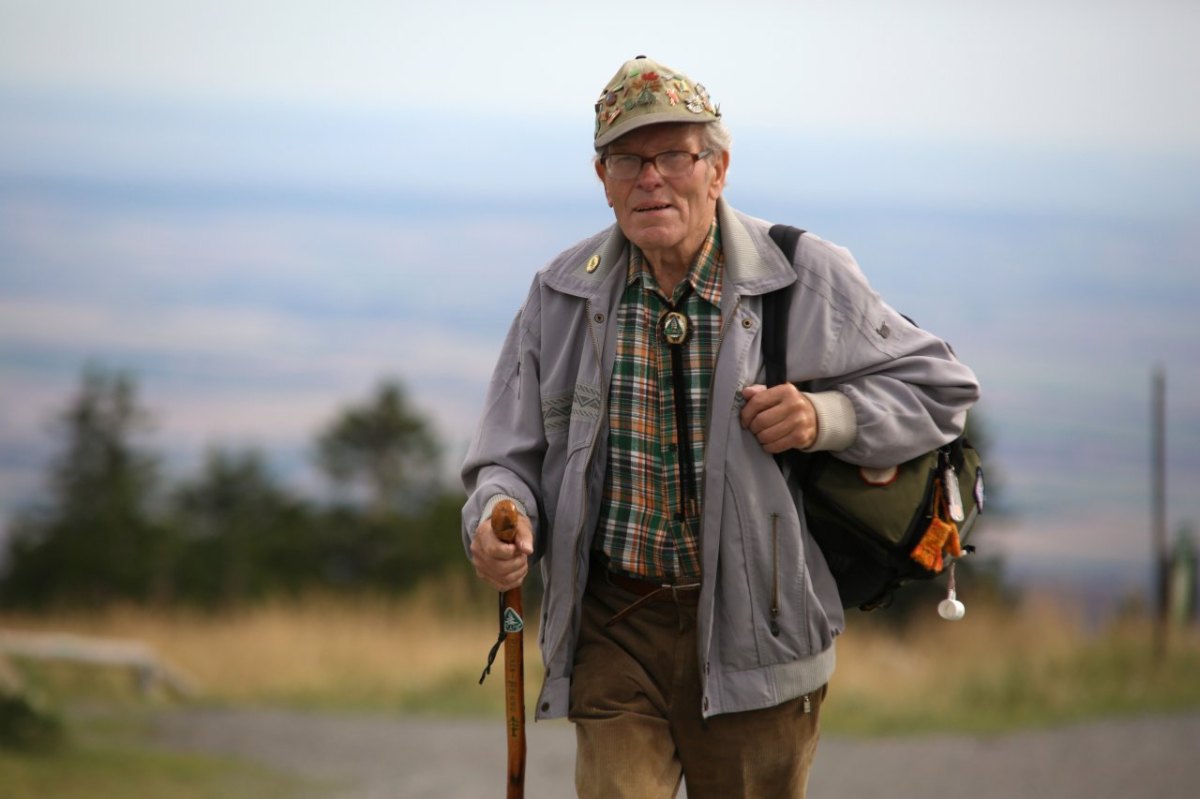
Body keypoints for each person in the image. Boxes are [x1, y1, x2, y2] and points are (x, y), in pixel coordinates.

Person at [462, 55, 980, 798]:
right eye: (628, 159)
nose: (650, 177)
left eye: (674, 154)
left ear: (719, 167)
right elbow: (505, 456)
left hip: (758, 631)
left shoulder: (802, 275)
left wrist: (824, 416)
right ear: (601, 177)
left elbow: (942, 388)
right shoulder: (561, 294)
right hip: (617, 624)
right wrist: (496, 513)